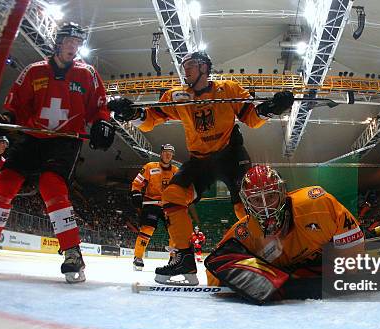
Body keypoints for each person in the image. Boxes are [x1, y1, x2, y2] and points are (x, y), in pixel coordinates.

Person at [107, 51, 294, 282]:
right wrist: (132, 113)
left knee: (243, 205)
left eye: (192, 65)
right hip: (200, 161)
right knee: (172, 196)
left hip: (231, 155)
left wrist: (272, 108)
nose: (186, 69)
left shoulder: (229, 89)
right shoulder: (176, 96)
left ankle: (268, 253)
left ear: (205, 67)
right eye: (184, 65)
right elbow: (149, 120)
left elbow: (252, 118)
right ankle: (184, 260)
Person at [0, 22, 115, 283]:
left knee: (51, 185)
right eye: (69, 41)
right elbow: (15, 105)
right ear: (58, 42)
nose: (73, 47)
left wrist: (102, 123)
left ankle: (72, 253)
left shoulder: (87, 73)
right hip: (32, 137)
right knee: (4, 184)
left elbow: (98, 108)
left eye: (77, 43)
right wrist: (5, 116)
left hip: (64, 140)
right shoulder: (34, 70)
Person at [204, 165, 365, 304]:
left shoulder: (318, 205)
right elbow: (215, 275)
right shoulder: (242, 235)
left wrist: (345, 275)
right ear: (247, 203)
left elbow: (351, 253)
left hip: (324, 265)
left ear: (283, 192)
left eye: (271, 196)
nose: (266, 207)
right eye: (257, 200)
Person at [130, 144, 178, 270]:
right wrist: (136, 193)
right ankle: (138, 257)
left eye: (171, 153)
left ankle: (174, 258)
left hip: (169, 205)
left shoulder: (176, 171)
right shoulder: (150, 167)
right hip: (151, 203)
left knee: (175, 232)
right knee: (147, 229)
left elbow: (181, 188)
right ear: (161, 153)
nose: (168, 155)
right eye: (166, 152)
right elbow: (137, 182)